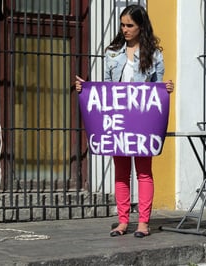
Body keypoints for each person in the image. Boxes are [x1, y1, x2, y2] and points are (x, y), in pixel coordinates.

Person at [75, 4, 174, 238]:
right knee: (120, 172)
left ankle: (143, 222)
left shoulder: (154, 55)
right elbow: (107, 88)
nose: (125, 29)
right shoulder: (112, 52)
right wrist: (85, 88)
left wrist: (165, 88)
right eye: (122, 24)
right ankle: (122, 221)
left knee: (143, 171)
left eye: (130, 25)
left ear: (141, 27)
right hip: (117, 119)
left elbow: (156, 90)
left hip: (142, 120)